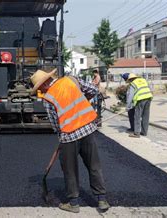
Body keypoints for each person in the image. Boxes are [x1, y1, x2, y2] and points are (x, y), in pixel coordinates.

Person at [31, 69, 110, 213]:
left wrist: (61, 136)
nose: (40, 90)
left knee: (70, 170)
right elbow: (94, 90)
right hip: (88, 130)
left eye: (40, 87)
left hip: (68, 137)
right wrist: (82, 98)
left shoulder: (48, 99)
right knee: (94, 165)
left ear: (45, 83)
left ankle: (73, 203)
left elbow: (56, 124)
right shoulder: (71, 80)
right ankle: (102, 200)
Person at [126, 73, 153, 138]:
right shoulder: (143, 80)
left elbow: (130, 95)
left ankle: (136, 133)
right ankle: (144, 132)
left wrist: (128, 106)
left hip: (140, 99)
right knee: (145, 116)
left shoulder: (132, 83)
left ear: (130, 79)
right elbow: (150, 88)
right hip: (148, 97)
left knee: (137, 116)